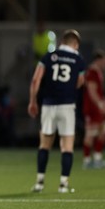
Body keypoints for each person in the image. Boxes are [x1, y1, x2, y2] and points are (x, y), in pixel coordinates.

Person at [28, 29, 86, 193]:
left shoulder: (48, 57)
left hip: (48, 105)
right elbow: (80, 82)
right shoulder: (78, 59)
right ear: (75, 44)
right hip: (67, 106)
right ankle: (63, 184)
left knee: (44, 145)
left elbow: (35, 80)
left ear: (62, 41)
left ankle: (39, 182)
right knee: (67, 147)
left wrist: (33, 101)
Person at [82, 50, 105, 169]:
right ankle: (87, 160)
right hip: (92, 108)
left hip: (96, 107)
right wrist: (100, 104)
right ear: (99, 60)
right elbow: (91, 90)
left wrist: (103, 101)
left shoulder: (97, 72)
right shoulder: (92, 71)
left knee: (103, 130)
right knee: (90, 134)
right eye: (104, 61)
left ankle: (98, 159)